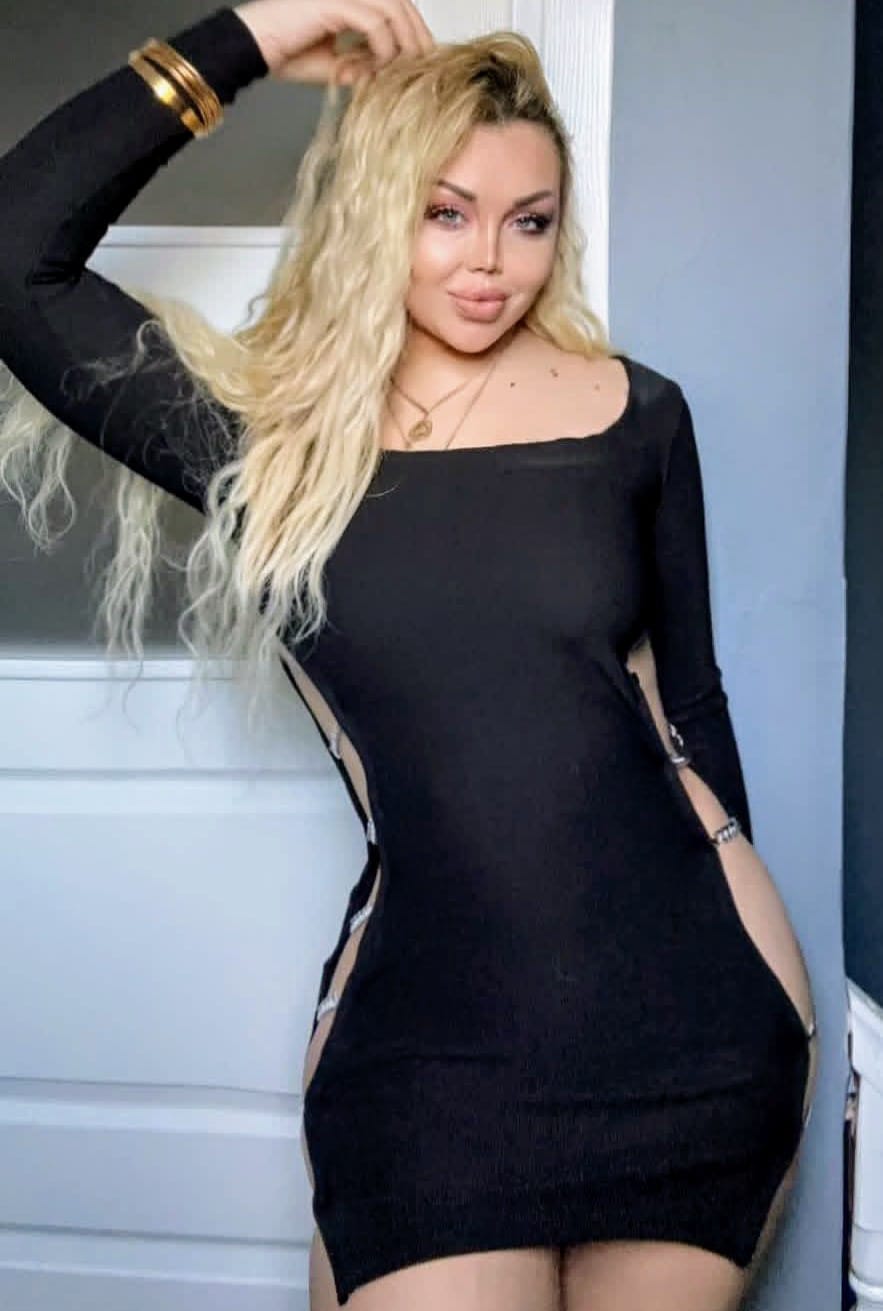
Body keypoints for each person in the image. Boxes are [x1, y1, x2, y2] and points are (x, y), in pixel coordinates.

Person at [0, 2, 820, 1307]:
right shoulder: (267, 447)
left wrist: (763, 970)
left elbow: (692, 705)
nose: (490, 262)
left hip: (698, 1031)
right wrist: (256, 36)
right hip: (435, 1057)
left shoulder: (638, 415)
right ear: (375, 207)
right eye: (445, 213)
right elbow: (17, 255)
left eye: (529, 221)